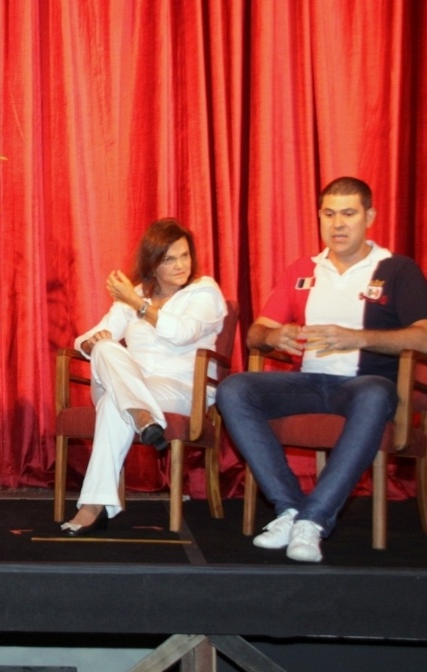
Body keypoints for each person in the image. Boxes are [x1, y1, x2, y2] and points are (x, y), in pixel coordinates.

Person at [217, 177, 427, 562]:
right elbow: (254, 334)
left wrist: (358, 338)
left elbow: (423, 338)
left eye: (348, 213)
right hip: (308, 383)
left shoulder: (397, 270)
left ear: (370, 217)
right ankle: (291, 508)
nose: (338, 224)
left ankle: (313, 519)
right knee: (234, 388)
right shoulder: (303, 270)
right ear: (319, 217)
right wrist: (275, 335)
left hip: (365, 385)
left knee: (376, 393)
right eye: (329, 214)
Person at [61, 219, 227, 536]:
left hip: (181, 388)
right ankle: (141, 415)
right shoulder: (137, 293)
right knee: (107, 347)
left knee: (113, 403)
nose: (181, 265)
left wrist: (138, 305)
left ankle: (92, 507)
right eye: (169, 259)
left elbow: (182, 333)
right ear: (152, 263)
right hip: (133, 382)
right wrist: (90, 343)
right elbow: (87, 337)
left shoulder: (204, 291)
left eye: (184, 255)